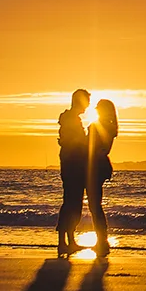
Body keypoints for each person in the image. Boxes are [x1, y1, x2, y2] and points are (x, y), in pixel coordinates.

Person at [56, 88, 91, 257]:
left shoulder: (70, 119)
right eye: (86, 102)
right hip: (73, 165)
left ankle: (68, 241)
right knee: (72, 203)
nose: (88, 106)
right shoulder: (71, 120)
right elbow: (74, 143)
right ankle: (64, 242)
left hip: (71, 164)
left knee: (72, 202)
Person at [86, 98, 118, 258]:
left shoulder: (100, 126)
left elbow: (94, 148)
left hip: (95, 167)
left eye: (98, 108)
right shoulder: (110, 126)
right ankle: (101, 240)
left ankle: (102, 241)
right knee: (95, 205)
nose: (96, 110)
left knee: (95, 206)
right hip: (100, 166)